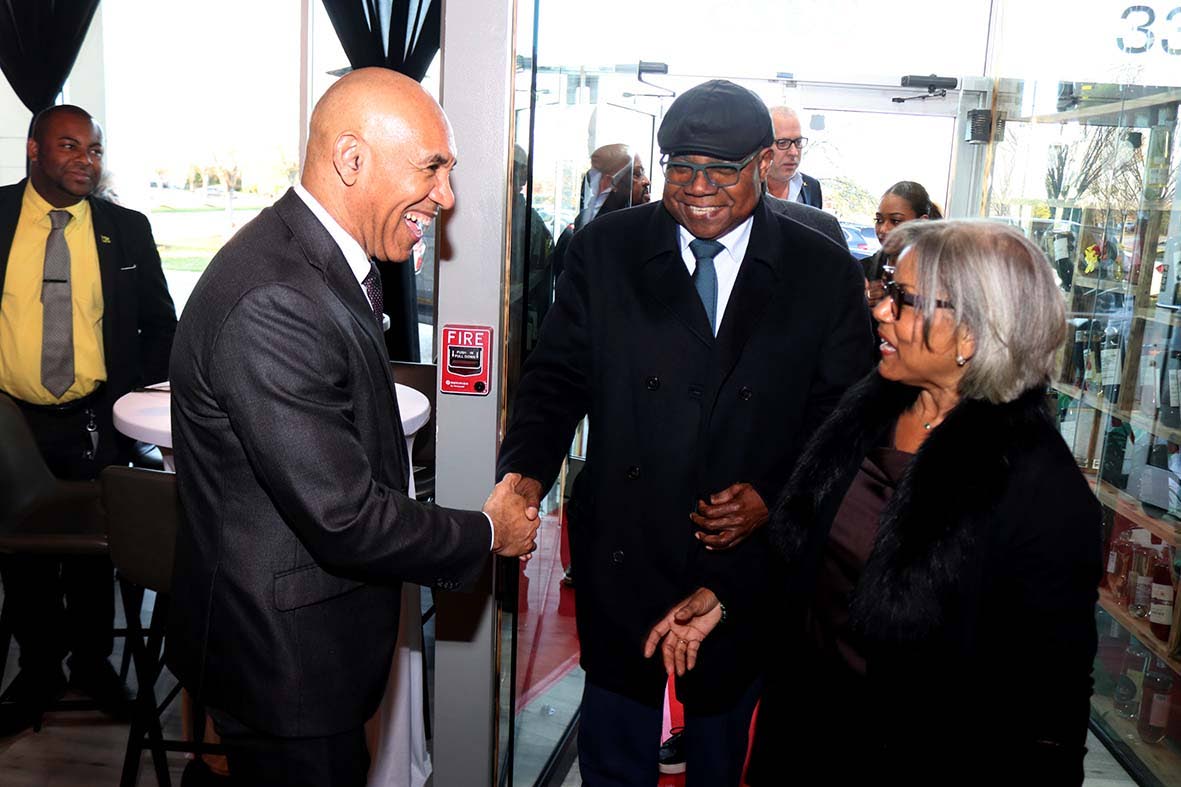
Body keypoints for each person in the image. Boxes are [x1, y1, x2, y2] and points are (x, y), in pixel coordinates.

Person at [166, 68, 540, 787]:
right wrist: (488, 531)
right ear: (350, 159)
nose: (447, 197)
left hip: (302, 651)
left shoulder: (315, 262)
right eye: (431, 169)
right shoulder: (276, 295)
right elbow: (342, 516)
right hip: (283, 665)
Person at [498, 79, 873, 787]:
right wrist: (523, 477)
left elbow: (842, 416)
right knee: (611, 753)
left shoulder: (818, 268)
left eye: (721, 171)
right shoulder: (605, 249)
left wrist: (772, 494)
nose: (697, 188)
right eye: (679, 167)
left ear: (763, 163)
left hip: (743, 562)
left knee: (721, 754)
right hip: (625, 548)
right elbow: (555, 380)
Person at [649, 219, 1102, 784]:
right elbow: (812, 553)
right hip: (802, 742)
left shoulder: (1041, 493)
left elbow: (1049, 708)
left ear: (973, 334)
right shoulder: (872, 408)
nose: (880, 309)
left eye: (904, 300)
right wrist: (728, 596)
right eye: (886, 288)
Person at [0, 104, 177, 737]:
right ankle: (38, 670)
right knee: (21, 556)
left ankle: (95, 664)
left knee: (97, 553)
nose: (86, 160)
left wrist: (131, 401)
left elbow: (161, 325)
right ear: (33, 150)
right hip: (9, 423)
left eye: (95, 150)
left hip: (95, 421)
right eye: (70, 146)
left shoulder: (124, 229)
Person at [862, 180, 942, 304]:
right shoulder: (862, 272)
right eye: (879, 220)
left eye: (895, 221)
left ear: (921, 223)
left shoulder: (940, 276)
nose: (883, 229)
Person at [764, 106, 822, 207]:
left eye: (798, 142)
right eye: (783, 143)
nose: (794, 152)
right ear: (763, 146)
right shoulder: (746, 189)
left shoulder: (812, 187)